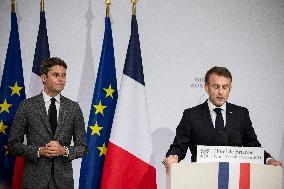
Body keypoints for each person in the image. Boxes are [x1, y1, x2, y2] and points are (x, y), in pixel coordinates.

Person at [164, 66, 282, 173]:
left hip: (234, 179)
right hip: (201, 178)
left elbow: (252, 145)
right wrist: (173, 156)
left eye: (225, 87)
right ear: (206, 88)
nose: (221, 92)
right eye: (216, 86)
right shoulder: (191, 115)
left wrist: (268, 160)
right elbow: (179, 146)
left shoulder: (241, 114)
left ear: (229, 89)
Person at [8, 57, 87, 189]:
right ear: (44, 78)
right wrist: (40, 151)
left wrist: (64, 150)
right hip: (34, 182)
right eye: (56, 75)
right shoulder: (27, 106)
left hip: (63, 183)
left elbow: (83, 148)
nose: (61, 79)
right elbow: (13, 145)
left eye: (64, 75)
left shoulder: (73, 108)